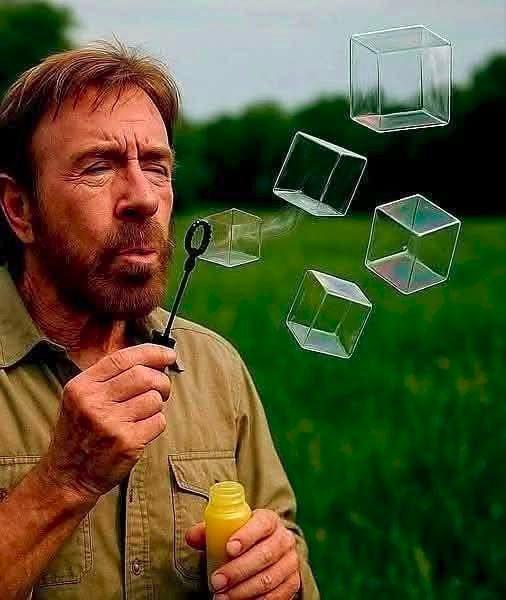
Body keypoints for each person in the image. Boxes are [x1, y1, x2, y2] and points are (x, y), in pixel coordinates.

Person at [0, 41, 320, 600]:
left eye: (156, 167)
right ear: (20, 208)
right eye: (98, 166)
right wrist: (63, 480)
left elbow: (285, 542)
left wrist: (280, 572)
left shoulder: (214, 367)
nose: (143, 198)